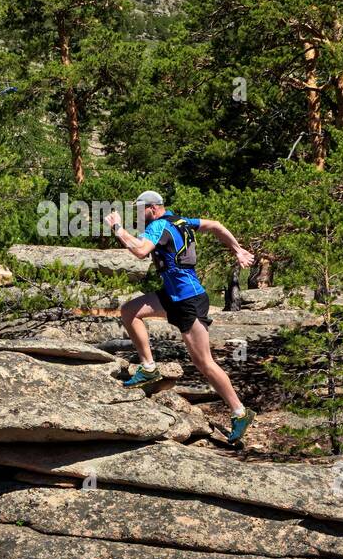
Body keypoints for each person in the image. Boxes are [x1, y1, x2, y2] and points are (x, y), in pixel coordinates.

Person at [104, 190, 257, 443]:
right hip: (173, 295)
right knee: (130, 311)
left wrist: (118, 228)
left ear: (153, 208)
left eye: (140, 211)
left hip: (189, 300)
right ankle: (149, 367)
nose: (139, 217)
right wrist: (237, 249)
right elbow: (216, 225)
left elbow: (141, 251)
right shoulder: (183, 221)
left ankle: (240, 412)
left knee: (204, 363)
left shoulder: (160, 225)